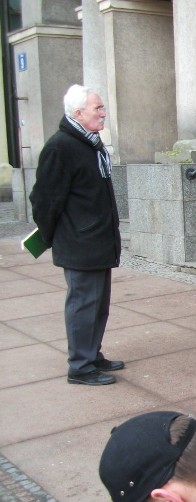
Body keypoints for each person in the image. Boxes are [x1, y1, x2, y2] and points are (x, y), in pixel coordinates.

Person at [30, 84, 123, 386]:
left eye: (102, 108)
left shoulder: (90, 143)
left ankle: (91, 354)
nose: (103, 113)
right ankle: (80, 366)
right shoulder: (61, 147)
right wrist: (51, 235)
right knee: (83, 304)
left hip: (97, 240)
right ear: (78, 113)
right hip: (79, 242)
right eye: (98, 108)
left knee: (98, 304)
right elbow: (44, 200)